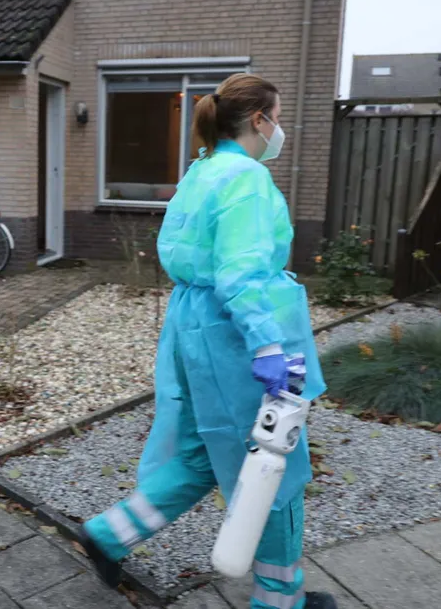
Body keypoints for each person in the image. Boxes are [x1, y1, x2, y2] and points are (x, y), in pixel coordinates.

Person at [79, 74, 336, 609]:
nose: (280, 129)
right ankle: (279, 598)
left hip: (197, 328)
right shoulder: (248, 179)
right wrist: (268, 346)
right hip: (236, 337)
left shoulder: (202, 171)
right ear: (258, 120)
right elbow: (241, 273)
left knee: (200, 451)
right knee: (273, 461)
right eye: (277, 118)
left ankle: (110, 534)